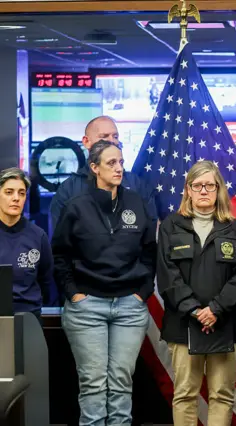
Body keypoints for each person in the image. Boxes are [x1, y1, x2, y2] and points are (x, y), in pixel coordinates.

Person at [52, 141, 157, 426]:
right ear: (94, 168)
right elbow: (59, 255)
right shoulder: (76, 207)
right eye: (111, 163)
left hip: (129, 306)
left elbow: (150, 251)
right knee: (94, 385)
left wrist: (142, 293)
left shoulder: (136, 202)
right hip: (87, 306)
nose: (119, 168)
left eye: (121, 161)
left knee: (122, 383)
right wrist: (73, 294)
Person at [157, 161, 236, 426]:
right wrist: (195, 311)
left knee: (222, 394)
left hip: (224, 323)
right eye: (197, 185)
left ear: (218, 189)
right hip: (183, 324)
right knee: (185, 393)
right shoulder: (171, 226)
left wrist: (216, 310)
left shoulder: (234, 229)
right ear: (187, 189)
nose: (203, 191)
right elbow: (167, 276)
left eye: (210, 185)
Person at [49, 115, 157, 230]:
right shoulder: (69, 190)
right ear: (86, 141)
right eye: (104, 136)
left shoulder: (136, 185)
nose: (112, 141)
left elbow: (150, 232)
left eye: (115, 136)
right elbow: (60, 241)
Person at [0, 167, 53, 320]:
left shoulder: (38, 236)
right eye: (9, 192)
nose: (16, 198)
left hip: (29, 317)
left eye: (21, 193)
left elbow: (46, 281)